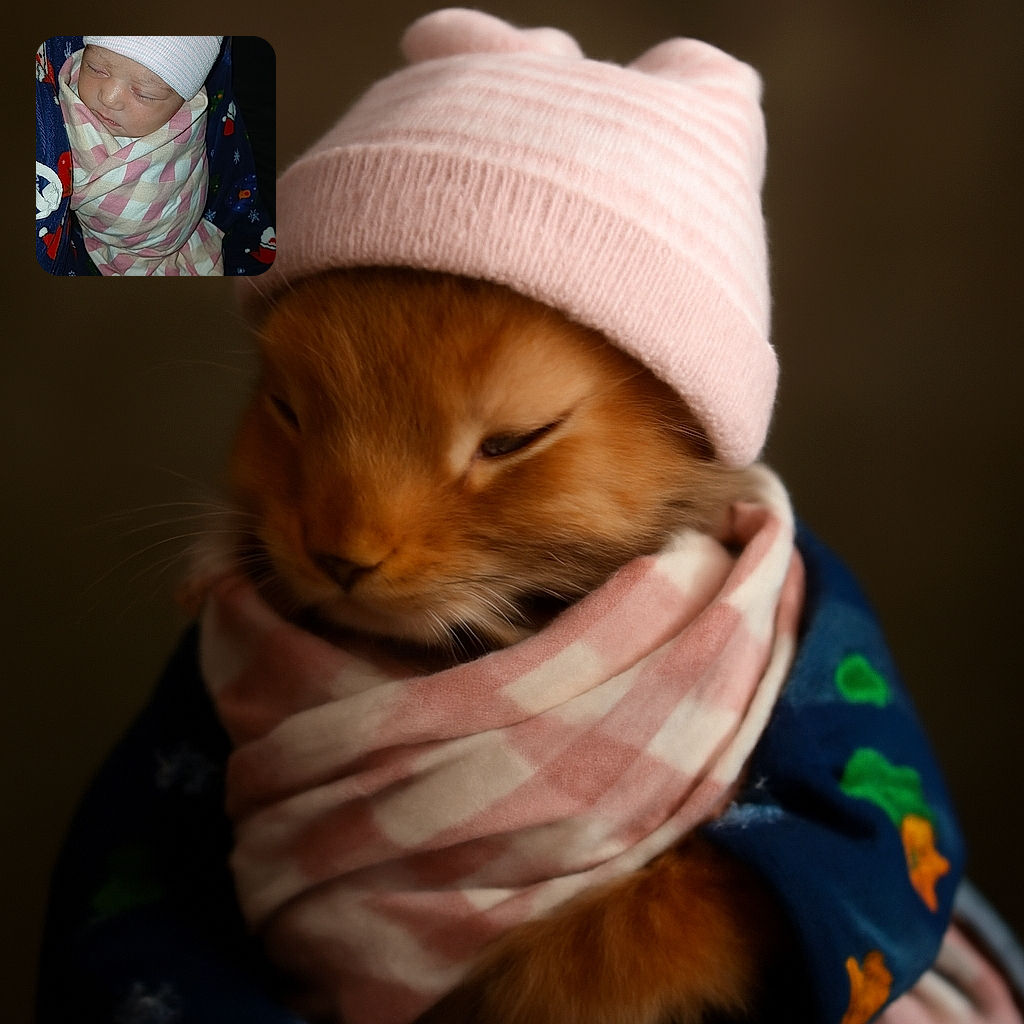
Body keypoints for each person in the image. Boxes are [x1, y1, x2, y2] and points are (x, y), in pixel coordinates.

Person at [57, 36, 225, 275]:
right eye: (95, 69)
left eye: (145, 94)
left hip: (163, 229)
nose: (109, 97)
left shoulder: (189, 114)